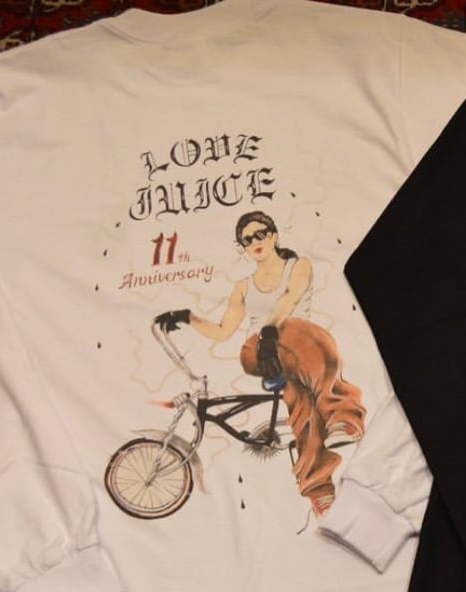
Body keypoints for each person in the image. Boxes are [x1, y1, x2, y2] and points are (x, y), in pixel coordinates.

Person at [154, 210, 365, 516]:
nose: (254, 241)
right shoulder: (243, 286)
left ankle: (319, 490)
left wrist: (271, 330)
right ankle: (343, 416)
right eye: (246, 239)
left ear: (274, 235)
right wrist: (188, 317)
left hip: (299, 352)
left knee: (303, 405)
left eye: (260, 234)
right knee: (311, 340)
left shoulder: (298, 266)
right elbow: (223, 331)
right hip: (259, 353)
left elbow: (290, 297)